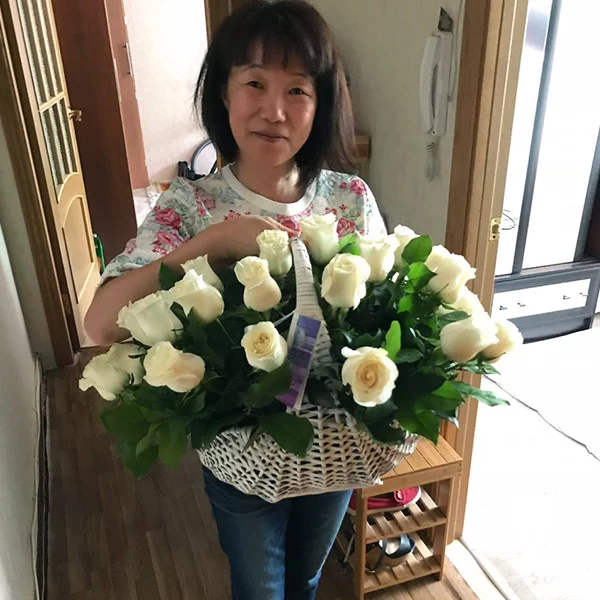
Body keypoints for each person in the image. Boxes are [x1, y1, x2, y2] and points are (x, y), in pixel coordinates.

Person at [84, 2, 389, 598]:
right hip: (240, 455)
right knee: (259, 588)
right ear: (223, 92)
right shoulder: (190, 206)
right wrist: (213, 244)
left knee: (306, 577)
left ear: (322, 103)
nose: (274, 110)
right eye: (254, 83)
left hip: (333, 449)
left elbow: (384, 314)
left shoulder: (349, 200)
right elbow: (101, 323)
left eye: (297, 90)